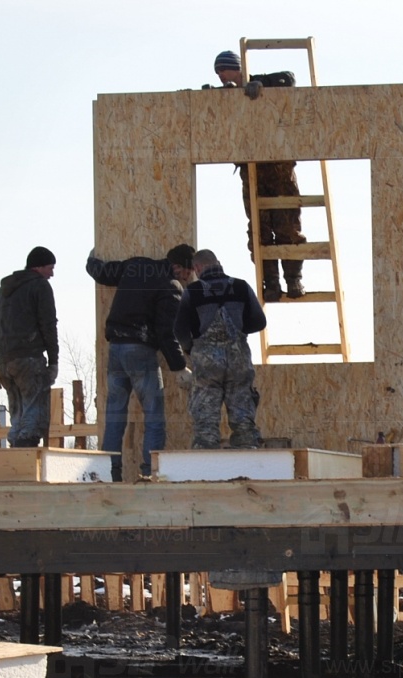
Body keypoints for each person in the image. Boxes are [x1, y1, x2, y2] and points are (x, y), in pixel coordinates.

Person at [86, 244, 195, 481]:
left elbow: (103, 273)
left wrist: (91, 261)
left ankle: (109, 474)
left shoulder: (136, 266)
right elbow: (166, 333)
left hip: (116, 349)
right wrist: (179, 367)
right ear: (177, 267)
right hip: (141, 351)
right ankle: (150, 473)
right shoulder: (171, 286)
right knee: (154, 417)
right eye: (188, 272)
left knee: (115, 416)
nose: (189, 277)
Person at [211, 50, 305, 303]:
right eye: (217, 72)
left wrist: (260, 84)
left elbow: (289, 78)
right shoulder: (228, 96)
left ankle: (293, 279)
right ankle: (270, 282)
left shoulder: (263, 83)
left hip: (279, 169)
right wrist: (217, 97)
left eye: (223, 70)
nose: (220, 75)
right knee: (258, 232)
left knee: (288, 227)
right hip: (251, 172)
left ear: (237, 68)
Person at [174, 249, 267, 450]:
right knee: (242, 409)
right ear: (218, 263)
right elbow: (260, 322)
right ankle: (248, 450)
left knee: (206, 416)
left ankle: (206, 456)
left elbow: (179, 329)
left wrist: (191, 348)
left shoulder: (193, 291)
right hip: (238, 360)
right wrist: (238, 333)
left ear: (197, 268)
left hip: (207, 363)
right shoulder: (241, 286)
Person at [0, 246, 58, 448]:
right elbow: (48, 325)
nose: (52, 274)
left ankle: (16, 459)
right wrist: (54, 361)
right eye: (50, 268)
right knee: (33, 418)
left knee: (17, 418)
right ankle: (27, 460)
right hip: (29, 360)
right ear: (38, 267)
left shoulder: (3, 293)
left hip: (6, 364)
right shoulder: (40, 286)